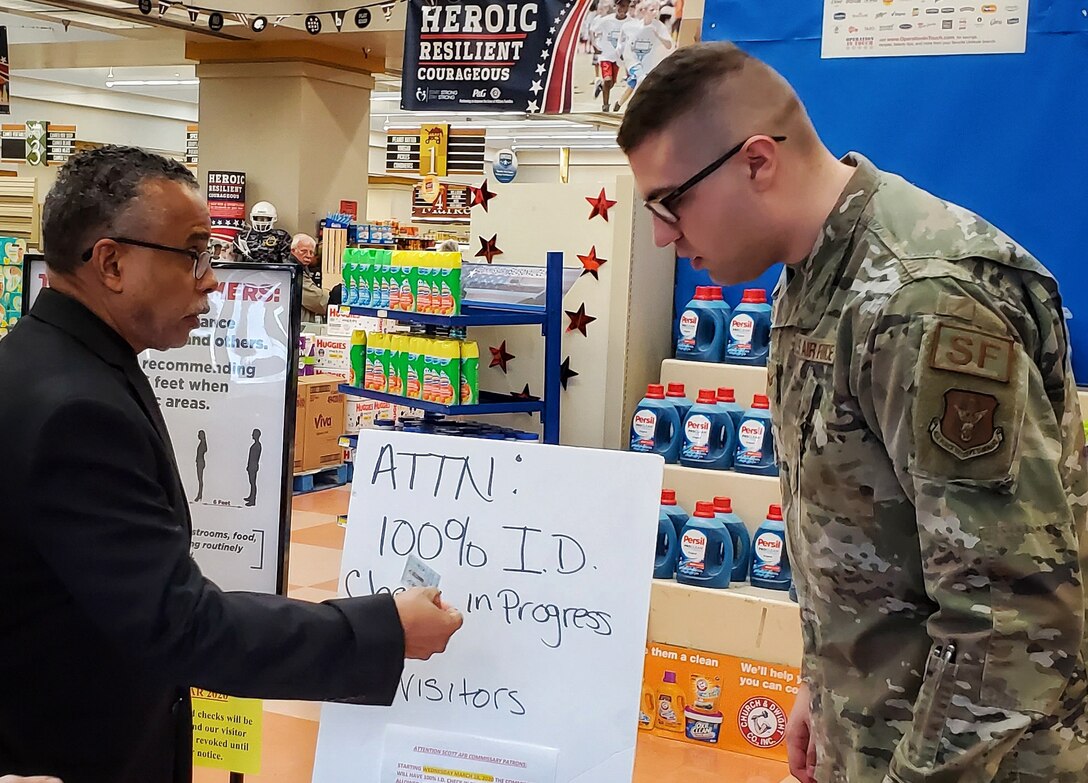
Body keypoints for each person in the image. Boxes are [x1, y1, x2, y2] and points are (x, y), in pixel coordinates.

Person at [619, 43, 1088, 783]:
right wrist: (826, 679)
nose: (661, 236)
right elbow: (866, 535)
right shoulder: (810, 280)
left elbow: (1009, 628)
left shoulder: (922, 304)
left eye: (668, 203)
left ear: (757, 162)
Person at [0, 145, 464, 783]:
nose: (211, 279)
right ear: (111, 262)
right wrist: (381, 630)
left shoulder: (46, 365)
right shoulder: (75, 410)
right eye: (192, 252)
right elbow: (178, 623)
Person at [590, 0, 630, 112]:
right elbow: (592, 30)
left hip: (618, 58)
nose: (622, 9)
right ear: (615, 6)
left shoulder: (630, 22)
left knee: (611, 83)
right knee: (607, 80)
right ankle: (605, 106)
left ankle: (601, 87)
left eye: (625, 6)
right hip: (605, 55)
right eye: (620, 6)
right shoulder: (606, 20)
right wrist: (595, 45)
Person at [291, 232, 329, 322]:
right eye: (304, 251)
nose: (308, 255)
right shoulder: (293, 271)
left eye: (311, 252)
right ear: (293, 251)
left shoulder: (302, 268)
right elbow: (316, 300)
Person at [245, 428, 261, 507]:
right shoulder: (256, 445)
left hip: (253, 467)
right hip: (252, 466)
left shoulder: (256, 446)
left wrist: (250, 466)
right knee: (251, 483)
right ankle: (251, 497)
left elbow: (254, 458)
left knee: (253, 483)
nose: (252, 435)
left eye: (253, 434)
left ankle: (253, 499)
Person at [193, 429, 207, 503]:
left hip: (200, 462)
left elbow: (202, 452)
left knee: (200, 479)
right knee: (199, 479)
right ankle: (200, 494)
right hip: (200, 462)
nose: (198, 436)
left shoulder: (203, 443)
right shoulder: (202, 443)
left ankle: (200, 494)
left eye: (199, 434)